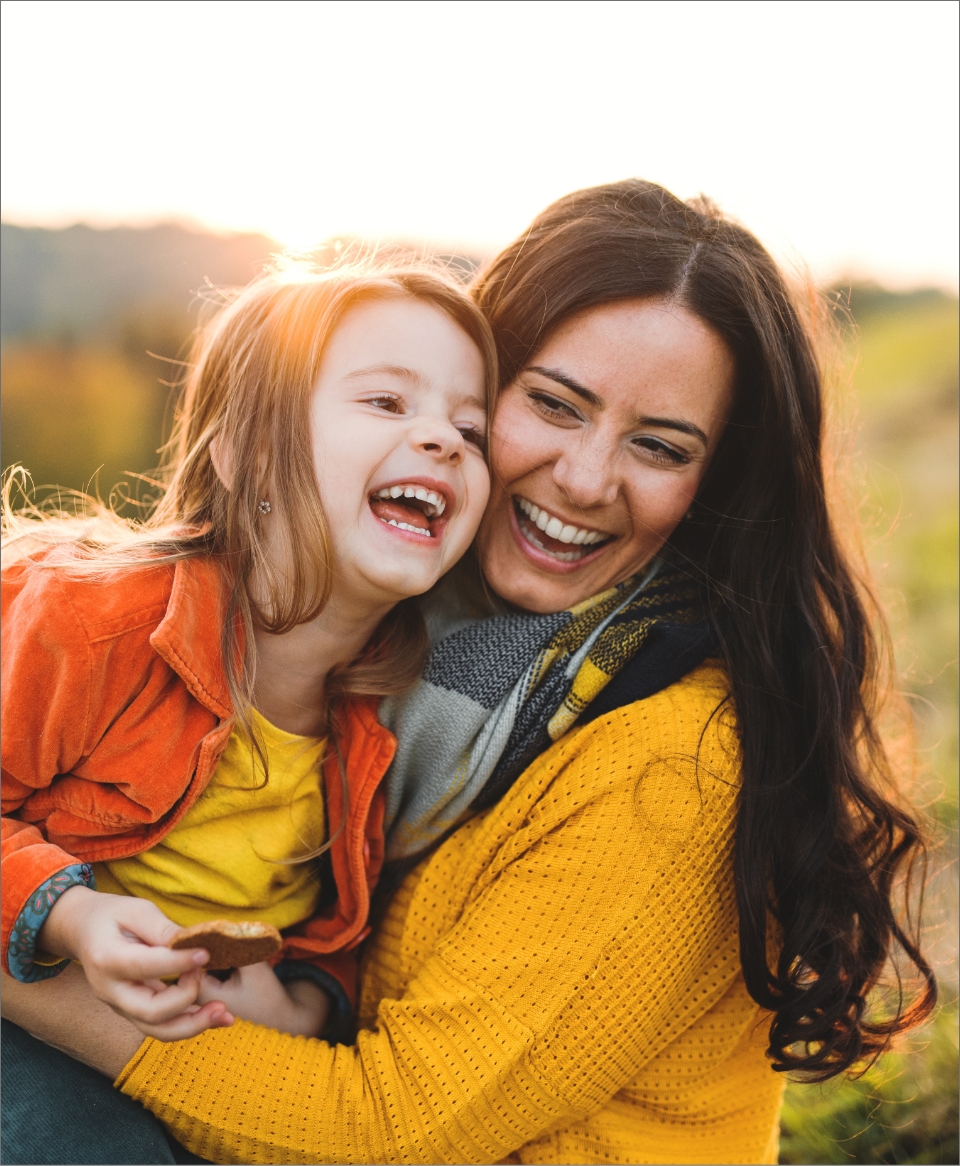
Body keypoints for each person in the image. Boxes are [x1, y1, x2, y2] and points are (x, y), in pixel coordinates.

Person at [1, 179, 935, 1166]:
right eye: (551, 403)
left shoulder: (667, 763)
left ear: (717, 487)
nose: (584, 477)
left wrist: (28, 970)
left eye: (659, 446)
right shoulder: (401, 660)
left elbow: (393, 1123)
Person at [1, 262, 495, 1046]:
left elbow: (333, 931)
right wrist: (67, 915)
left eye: (473, 431)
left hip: (216, 1050)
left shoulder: (395, 711)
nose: (443, 439)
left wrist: (303, 1004)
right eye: (385, 401)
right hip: (35, 1020)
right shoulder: (91, 622)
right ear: (245, 456)